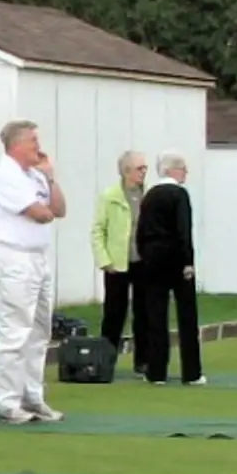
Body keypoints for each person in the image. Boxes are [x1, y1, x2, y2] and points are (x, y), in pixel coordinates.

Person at [0, 119, 68, 424]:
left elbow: (59, 209)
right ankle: (6, 401)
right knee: (14, 330)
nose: (39, 147)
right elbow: (41, 214)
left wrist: (51, 178)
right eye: (33, 141)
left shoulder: (34, 174)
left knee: (38, 330)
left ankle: (32, 397)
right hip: (11, 257)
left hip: (37, 257)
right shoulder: (5, 174)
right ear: (17, 145)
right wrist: (45, 207)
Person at [133, 152, 206, 387]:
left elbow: (140, 231)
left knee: (156, 315)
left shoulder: (150, 196)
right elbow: (184, 230)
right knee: (186, 315)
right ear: (172, 170)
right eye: (183, 168)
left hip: (153, 259)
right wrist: (188, 262)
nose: (186, 172)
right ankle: (191, 372)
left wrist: (145, 255)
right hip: (176, 259)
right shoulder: (179, 194)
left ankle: (156, 372)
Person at [89, 151, 149, 369]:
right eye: (139, 168)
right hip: (117, 264)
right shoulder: (110, 196)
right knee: (114, 313)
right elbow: (98, 230)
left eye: (145, 168)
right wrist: (104, 260)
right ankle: (106, 360)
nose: (144, 172)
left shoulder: (148, 196)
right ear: (126, 171)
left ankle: (143, 361)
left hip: (142, 262)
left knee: (144, 313)